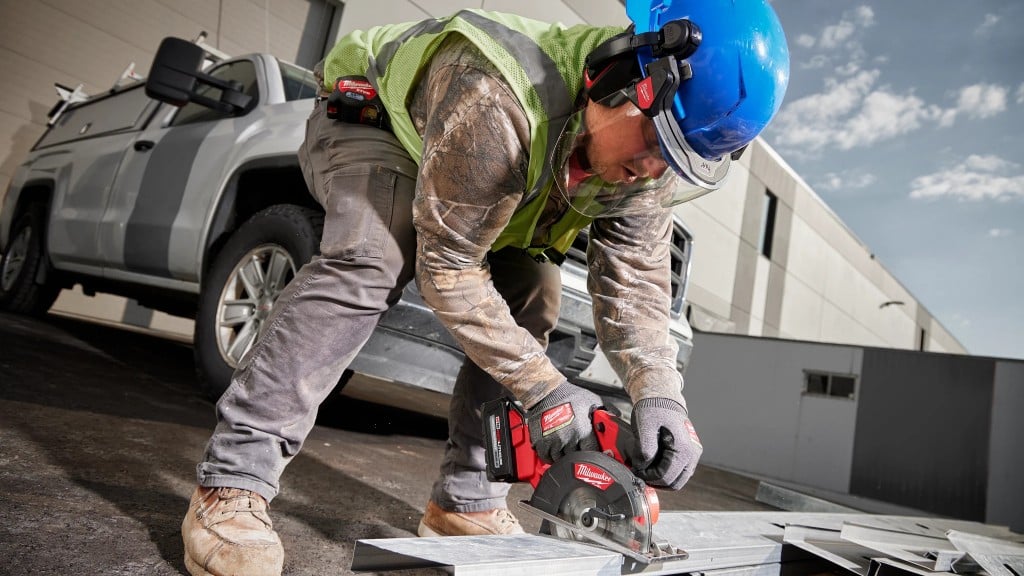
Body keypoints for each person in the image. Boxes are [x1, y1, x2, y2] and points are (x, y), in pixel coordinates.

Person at [180, 1, 789, 574]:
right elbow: (446, 267)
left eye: (676, 161)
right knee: (375, 254)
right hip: (377, 124)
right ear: (621, 75)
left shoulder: (650, 174)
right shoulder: (498, 93)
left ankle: (464, 505)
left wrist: (661, 393)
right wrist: (545, 390)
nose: (653, 170)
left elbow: (636, 292)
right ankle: (230, 484)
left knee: (534, 293)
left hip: (483, 178)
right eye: (657, 142)